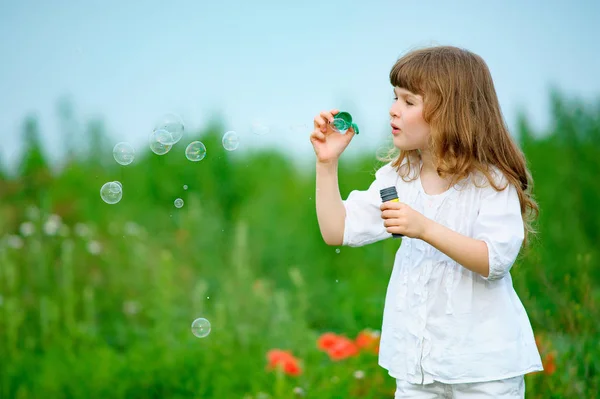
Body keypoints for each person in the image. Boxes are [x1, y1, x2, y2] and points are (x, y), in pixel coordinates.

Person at [310, 45, 543, 398]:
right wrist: (326, 165)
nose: (393, 110)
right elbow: (336, 230)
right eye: (394, 98)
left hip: (484, 371)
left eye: (408, 101)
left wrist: (424, 228)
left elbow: (494, 260)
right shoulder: (398, 177)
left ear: (450, 110)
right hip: (417, 369)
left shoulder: (491, 182)